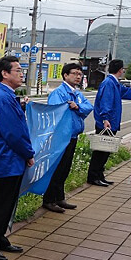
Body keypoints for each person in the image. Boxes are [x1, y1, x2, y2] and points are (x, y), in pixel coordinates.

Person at [0, 56, 35, 260]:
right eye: (18, 70)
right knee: (0, 203)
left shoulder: (7, 95)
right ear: (5, 73)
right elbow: (12, 133)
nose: (22, 74)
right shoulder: (2, 97)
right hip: (6, 159)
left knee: (8, 201)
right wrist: (28, 153)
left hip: (9, 159)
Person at [43, 63, 94, 212]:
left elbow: (88, 107)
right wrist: (74, 107)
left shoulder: (77, 94)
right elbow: (56, 113)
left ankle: (59, 197)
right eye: (74, 73)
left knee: (65, 168)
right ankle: (49, 199)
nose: (78, 76)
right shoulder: (59, 93)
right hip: (61, 137)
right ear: (65, 75)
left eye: (80, 74)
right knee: (57, 168)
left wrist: (77, 107)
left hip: (72, 136)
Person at [87, 59, 131, 186]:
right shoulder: (109, 83)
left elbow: (126, 92)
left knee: (105, 150)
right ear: (120, 70)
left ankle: (99, 175)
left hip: (110, 121)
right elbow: (106, 102)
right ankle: (93, 176)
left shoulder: (114, 83)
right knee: (100, 151)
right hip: (107, 122)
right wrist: (105, 118)